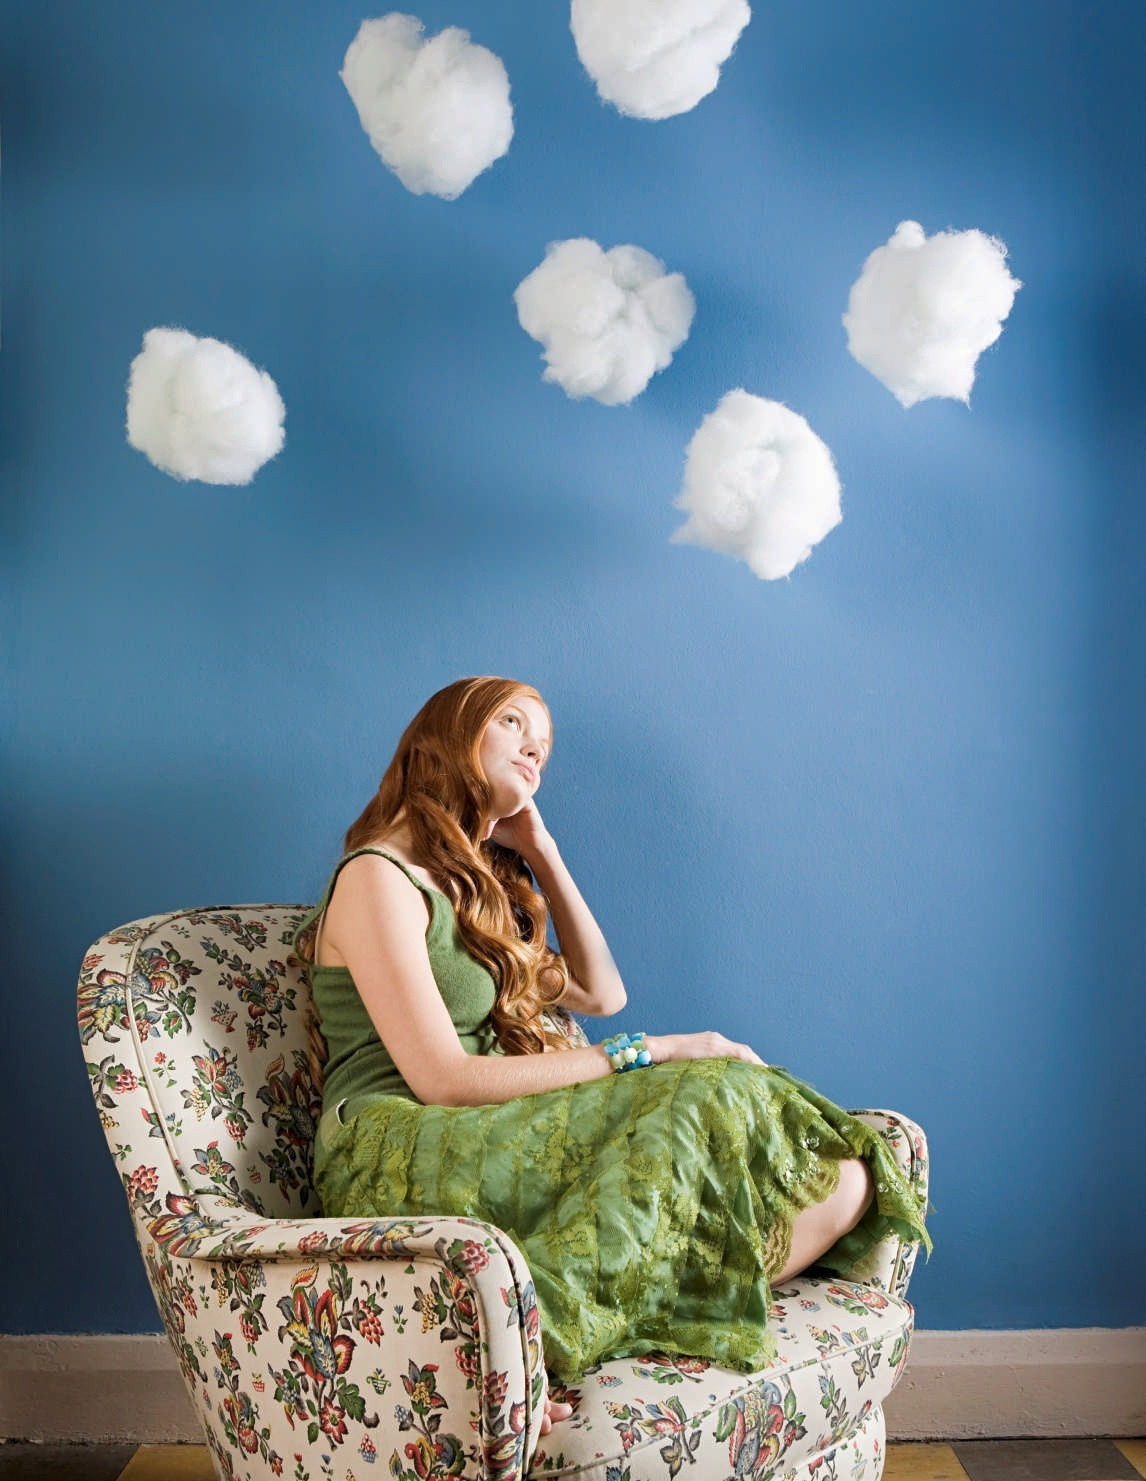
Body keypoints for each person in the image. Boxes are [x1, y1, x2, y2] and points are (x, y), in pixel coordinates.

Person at [295, 676, 929, 1434]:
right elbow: (443, 1078)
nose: (535, 749)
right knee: (700, 1087)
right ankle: (538, 1341)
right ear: (449, 731)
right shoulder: (377, 874)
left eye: (544, 745)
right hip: (389, 1141)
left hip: (480, 1131)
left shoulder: (473, 897)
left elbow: (602, 991)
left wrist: (543, 850)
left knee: (844, 1183)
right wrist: (647, 1053)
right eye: (513, 722)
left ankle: (571, 1316)